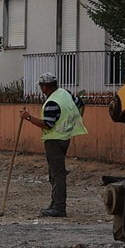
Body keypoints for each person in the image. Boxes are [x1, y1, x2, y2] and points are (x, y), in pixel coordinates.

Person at [21, 72, 86, 218]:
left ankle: (59, 207)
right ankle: (55, 202)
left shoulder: (52, 103)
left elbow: (48, 124)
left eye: (41, 86)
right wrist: (75, 121)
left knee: (57, 174)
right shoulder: (65, 93)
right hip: (65, 137)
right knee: (54, 173)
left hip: (54, 140)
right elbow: (81, 105)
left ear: (45, 87)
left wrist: (29, 117)